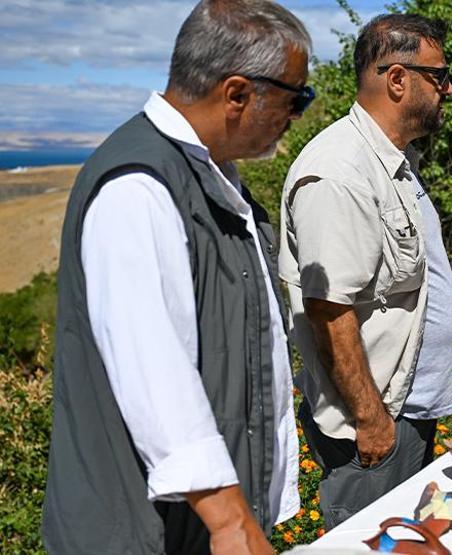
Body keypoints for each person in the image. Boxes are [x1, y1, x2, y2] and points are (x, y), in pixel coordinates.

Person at [41, 1, 312, 552]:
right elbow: (153, 367)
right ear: (237, 94)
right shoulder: (138, 187)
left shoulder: (209, 175)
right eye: (295, 98)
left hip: (197, 522)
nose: (296, 115)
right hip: (145, 531)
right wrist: (230, 519)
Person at [279, 13, 452, 529]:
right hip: (379, 425)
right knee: (370, 539)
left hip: (407, 411)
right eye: (440, 76)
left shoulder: (392, 161)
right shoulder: (340, 173)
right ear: (398, 79)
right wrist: (371, 418)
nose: (448, 90)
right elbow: (329, 309)